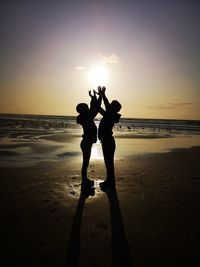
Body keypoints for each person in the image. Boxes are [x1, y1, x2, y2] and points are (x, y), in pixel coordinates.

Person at [76, 87, 101, 188]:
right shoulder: (87, 117)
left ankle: (85, 179)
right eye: (86, 108)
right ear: (84, 110)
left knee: (86, 162)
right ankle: (84, 181)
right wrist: (97, 96)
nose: (88, 109)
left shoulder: (85, 116)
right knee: (85, 163)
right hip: (86, 143)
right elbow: (95, 108)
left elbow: (93, 108)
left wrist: (94, 96)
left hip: (86, 142)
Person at [98, 87, 122, 190]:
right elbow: (102, 108)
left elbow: (105, 106)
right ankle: (110, 181)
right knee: (108, 162)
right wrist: (100, 96)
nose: (109, 106)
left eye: (112, 106)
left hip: (108, 141)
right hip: (107, 141)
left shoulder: (110, 115)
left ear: (114, 109)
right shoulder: (109, 114)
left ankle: (110, 181)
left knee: (108, 162)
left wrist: (103, 95)